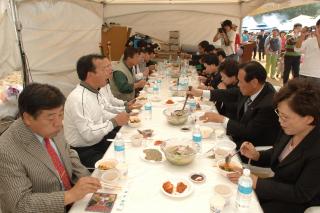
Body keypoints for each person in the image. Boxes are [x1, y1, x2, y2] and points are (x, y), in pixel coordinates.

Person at [0, 83, 101, 212]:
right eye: (51, 117)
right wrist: (69, 196)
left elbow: (68, 153)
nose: (59, 123)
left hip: (75, 201)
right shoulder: (6, 150)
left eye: (61, 114)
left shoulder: (52, 127)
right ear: (27, 118)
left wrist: (86, 179)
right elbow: (19, 204)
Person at [228, 79, 320, 213]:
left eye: (285, 117)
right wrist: (257, 155)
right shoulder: (290, 129)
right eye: (279, 114)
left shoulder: (316, 149)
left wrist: (257, 182)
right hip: (277, 186)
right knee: (231, 195)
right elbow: (280, 154)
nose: (279, 120)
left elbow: (301, 193)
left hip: (297, 203)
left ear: (309, 118)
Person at [188, 61, 280, 147]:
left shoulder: (268, 104)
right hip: (238, 136)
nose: (238, 85)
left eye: (240, 81)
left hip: (250, 148)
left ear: (254, 82)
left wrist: (221, 119)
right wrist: (200, 92)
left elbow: (249, 131)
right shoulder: (254, 88)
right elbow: (229, 94)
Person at [64, 54, 129, 168]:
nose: (110, 71)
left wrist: (124, 114)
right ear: (90, 74)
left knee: (128, 145)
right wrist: (114, 122)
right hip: (84, 150)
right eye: (105, 68)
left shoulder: (93, 91)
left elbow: (102, 113)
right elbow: (88, 134)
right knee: (118, 166)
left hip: (98, 140)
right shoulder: (79, 98)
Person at [295, 19, 320, 84]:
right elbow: (297, 49)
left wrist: (318, 36)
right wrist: (302, 35)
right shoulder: (309, 40)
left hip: (317, 76)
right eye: (318, 27)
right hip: (304, 73)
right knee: (301, 94)